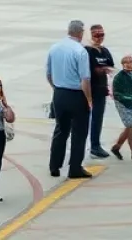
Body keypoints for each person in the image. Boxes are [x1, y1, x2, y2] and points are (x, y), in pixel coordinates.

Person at [46, 19, 93, 179]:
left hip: (59, 94)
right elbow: (85, 80)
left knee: (61, 130)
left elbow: (49, 75)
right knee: (79, 133)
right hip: (76, 95)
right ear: (80, 32)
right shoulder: (80, 51)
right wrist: (89, 100)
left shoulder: (55, 48)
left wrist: (57, 89)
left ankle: (54, 165)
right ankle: (75, 168)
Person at [85, 23, 115, 158]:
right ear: (91, 36)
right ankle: (89, 145)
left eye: (101, 35)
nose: (99, 38)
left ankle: (95, 145)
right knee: (85, 118)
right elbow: (87, 70)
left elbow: (111, 66)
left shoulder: (105, 51)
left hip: (101, 89)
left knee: (97, 118)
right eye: (96, 35)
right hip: (89, 89)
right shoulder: (87, 51)